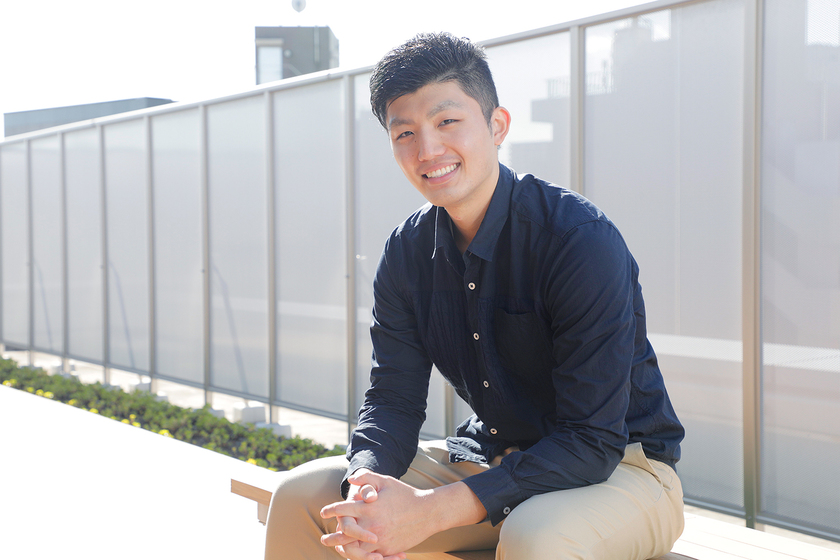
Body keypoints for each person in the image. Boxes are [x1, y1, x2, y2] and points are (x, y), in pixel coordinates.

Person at [264, 31, 685, 560]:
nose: (427, 150)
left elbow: (591, 438)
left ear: (497, 125)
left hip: (622, 468)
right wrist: (365, 487)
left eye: (447, 122)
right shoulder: (407, 251)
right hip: (494, 458)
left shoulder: (577, 239)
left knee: (536, 538)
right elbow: (393, 398)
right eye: (405, 133)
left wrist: (429, 511)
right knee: (304, 499)